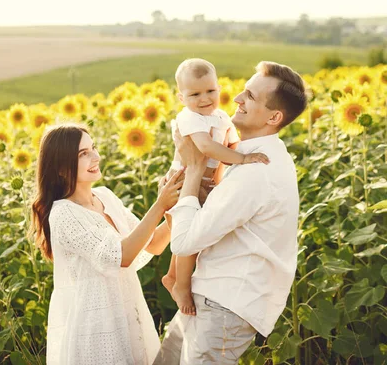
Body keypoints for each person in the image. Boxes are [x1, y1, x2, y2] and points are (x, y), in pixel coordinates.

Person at [154, 61, 309, 365]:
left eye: (250, 96)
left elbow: (185, 242)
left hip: (225, 305)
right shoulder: (261, 158)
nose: (237, 98)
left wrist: (196, 169)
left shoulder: (256, 170)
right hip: (211, 295)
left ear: (274, 116)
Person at [29, 123, 184, 365]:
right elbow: (121, 256)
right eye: (83, 154)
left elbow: (152, 243)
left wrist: (180, 205)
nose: (96, 157)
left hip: (130, 316)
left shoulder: (105, 196)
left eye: (93, 148)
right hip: (97, 329)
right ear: (60, 167)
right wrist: (160, 205)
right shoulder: (63, 214)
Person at [161, 58, 269, 316]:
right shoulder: (189, 118)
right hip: (184, 183)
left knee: (192, 234)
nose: (204, 99)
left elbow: (232, 143)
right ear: (181, 98)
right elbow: (207, 148)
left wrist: (247, 151)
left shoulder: (221, 117)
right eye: (195, 94)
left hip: (205, 184)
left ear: (219, 89)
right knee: (190, 237)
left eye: (210, 91)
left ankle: (172, 276)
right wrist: (243, 159)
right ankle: (182, 287)